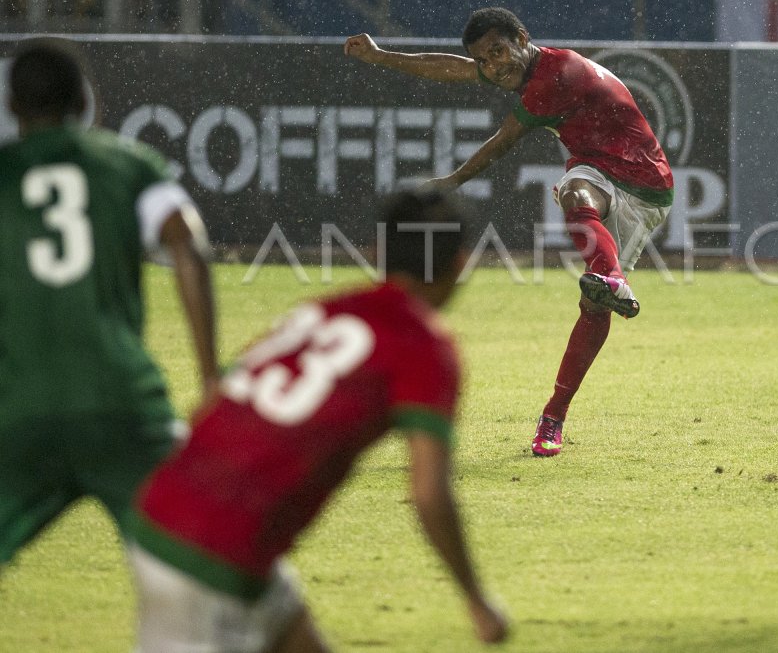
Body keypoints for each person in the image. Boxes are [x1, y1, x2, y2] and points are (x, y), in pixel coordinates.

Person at [127, 188, 509, 652]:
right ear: (461, 263)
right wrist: (475, 598)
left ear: (375, 254)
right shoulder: (424, 346)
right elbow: (430, 493)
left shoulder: (325, 310)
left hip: (168, 507)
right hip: (210, 553)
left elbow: (220, 402)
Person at [344, 7, 674, 457]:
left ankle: (558, 404)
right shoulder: (528, 69)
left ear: (523, 38)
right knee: (574, 191)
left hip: (645, 189)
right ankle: (607, 286)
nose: (492, 66)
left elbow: (503, 140)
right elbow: (456, 69)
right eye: (484, 60)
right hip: (595, 170)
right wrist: (382, 56)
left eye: (498, 52)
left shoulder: (555, 76)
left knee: (593, 306)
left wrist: (448, 183)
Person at [0, 37, 219, 571]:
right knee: (206, 555)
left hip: (19, 413)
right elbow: (188, 246)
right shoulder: (127, 165)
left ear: (11, 106)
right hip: (125, 409)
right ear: (83, 101)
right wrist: (210, 376)